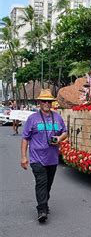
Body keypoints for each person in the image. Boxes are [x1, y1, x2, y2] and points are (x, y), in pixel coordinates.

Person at [20, 89, 68, 223]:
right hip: (37, 158)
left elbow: (65, 131)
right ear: (39, 102)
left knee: (48, 184)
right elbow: (25, 138)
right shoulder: (32, 119)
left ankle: (44, 203)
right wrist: (24, 157)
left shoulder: (57, 117)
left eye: (49, 101)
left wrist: (59, 138)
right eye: (44, 101)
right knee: (41, 182)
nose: (47, 103)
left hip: (52, 159)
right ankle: (41, 210)